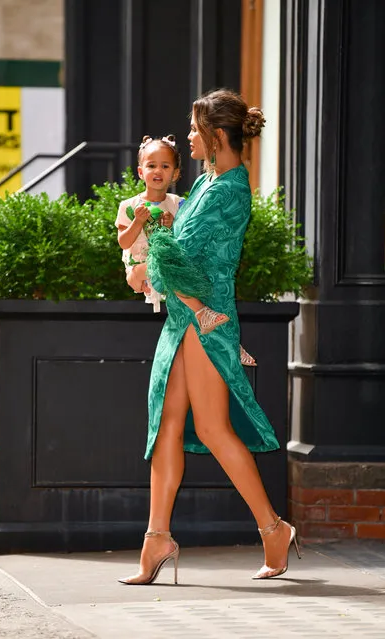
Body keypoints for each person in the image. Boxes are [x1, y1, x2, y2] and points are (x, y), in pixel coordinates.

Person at [119, 89, 299, 586]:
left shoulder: (227, 189)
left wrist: (146, 246)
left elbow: (176, 255)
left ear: (217, 136)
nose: (190, 137)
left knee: (215, 429)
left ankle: (273, 527)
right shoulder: (206, 181)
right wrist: (153, 241)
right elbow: (171, 248)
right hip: (185, 319)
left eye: (196, 130)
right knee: (166, 426)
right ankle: (157, 539)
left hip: (205, 320)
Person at [116, 134, 230, 331]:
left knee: (177, 270)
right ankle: (201, 312)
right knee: (162, 269)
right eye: (151, 166)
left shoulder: (178, 204)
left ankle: (211, 325)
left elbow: (185, 241)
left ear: (175, 174)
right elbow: (124, 243)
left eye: (165, 166)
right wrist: (138, 222)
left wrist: (172, 226)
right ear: (141, 172)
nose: (158, 171)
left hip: (169, 270)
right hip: (138, 268)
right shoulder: (129, 206)